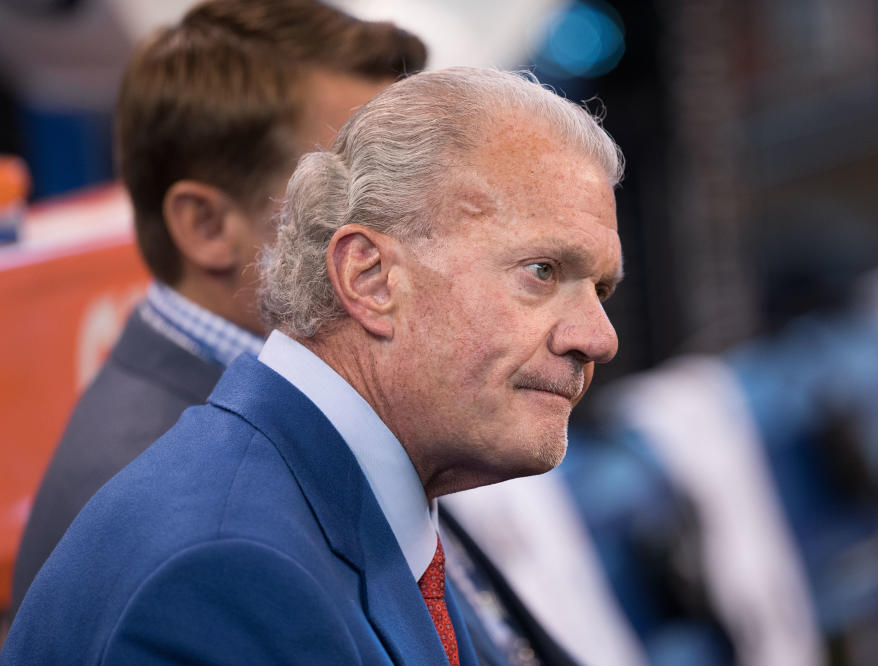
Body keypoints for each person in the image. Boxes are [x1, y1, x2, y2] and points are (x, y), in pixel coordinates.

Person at [2, 66, 623, 664]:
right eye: (542, 272)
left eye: (602, 290)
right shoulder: (230, 572)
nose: (599, 338)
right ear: (370, 278)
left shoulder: (330, 500)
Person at [8, 0, 424, 617]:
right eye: (362, 190)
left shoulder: (297, 398)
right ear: (206, 226)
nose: (418, 227)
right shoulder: (179, 504)